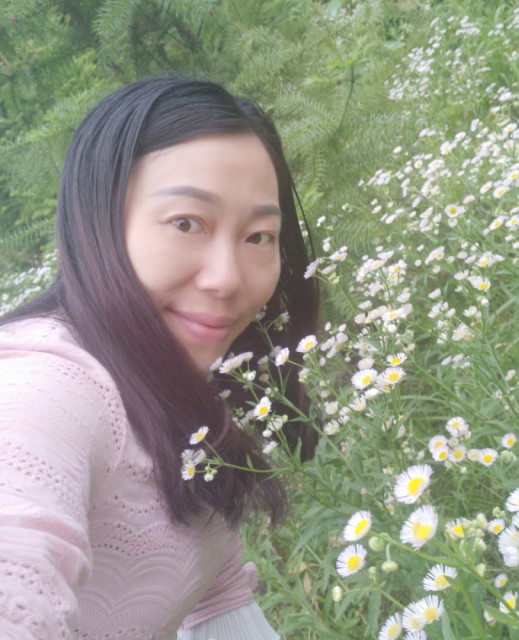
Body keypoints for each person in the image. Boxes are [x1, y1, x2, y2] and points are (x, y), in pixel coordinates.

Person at [0, 77, 319, 639]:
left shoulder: (176, 375)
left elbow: (217, 597)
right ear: (98, 224)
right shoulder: (45, 385)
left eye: (259, 236)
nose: (227, 279)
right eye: (185, 223)